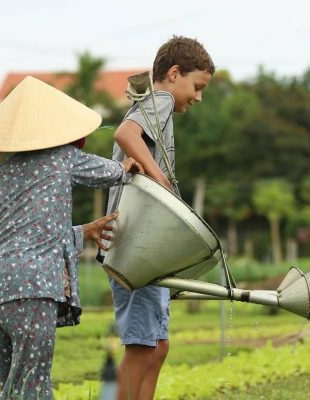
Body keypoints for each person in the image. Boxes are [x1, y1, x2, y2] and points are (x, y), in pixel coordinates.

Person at [0, 76, 143, 399]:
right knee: (33, 386)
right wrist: (127, 166)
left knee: (13, 385)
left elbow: (29, 231)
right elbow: (111, 173)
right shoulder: (62, 159)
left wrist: (83, 231)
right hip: (32, 287)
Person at [105, 35, 215, 400]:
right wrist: (160, 178)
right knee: (141, 347)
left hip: (143, 246)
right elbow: (126, 134)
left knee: (158, 345)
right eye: (197, 87)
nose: (198, 97)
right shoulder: (162, 99)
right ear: (174, 73)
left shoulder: (159, 104)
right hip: (137, 248)